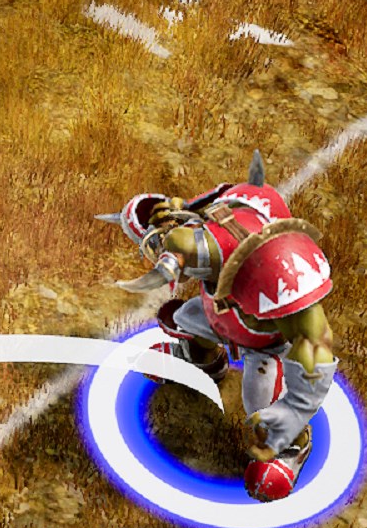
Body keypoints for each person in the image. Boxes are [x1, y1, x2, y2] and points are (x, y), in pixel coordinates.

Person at [111, 152, 339, 502]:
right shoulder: (235, 206)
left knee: (262, 403)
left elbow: (315, 345)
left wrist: (293, 411)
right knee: (189, 318)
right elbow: (216, 197)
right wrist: (179, 211)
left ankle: (292, 446)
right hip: (223, 309)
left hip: (263, 342)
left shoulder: (283, 277)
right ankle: (204, 361)